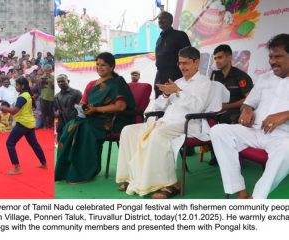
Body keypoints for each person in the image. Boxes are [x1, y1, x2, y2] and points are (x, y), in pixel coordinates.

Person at [116, 47, 212, 199]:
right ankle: (133, 177)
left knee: (158, 134)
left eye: (185, 63)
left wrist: (178, 91)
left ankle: (170, 184)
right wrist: (166, 94)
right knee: (128, 130)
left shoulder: (205, 83)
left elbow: (197, 107)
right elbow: (159, 107)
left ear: (196, 63)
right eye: (180, 63)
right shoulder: (178, 81)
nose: (182, 67)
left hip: (188, 123)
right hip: (165, 122)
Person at [210, 34, 289, 199]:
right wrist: (246, 110)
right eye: (271, 57)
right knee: (218, 131)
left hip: (283, 136)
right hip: (255, 130)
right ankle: (240, 192)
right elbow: (249, 102)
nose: (273, 61)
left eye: (278, 56)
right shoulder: (265, 78)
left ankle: (256, 199)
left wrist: (285, 114)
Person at [55, 52, 135, 184]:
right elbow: (82, 103)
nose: (99, 67)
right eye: (97, 64)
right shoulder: (92, 84)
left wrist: (96, 109)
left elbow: (120, 106)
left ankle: (84, 172)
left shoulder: (117, 83)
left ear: (112, 67)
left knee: (84, 129)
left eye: (103, 65)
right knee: (70, 126)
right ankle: (67, 170)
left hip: (110, 120)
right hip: (90, 117)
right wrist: (84, 109)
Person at [208, 44, 254, 165]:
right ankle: (216, 154)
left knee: (225, 117)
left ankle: (236, 156)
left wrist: (227, 107)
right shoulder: (214, 75)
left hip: (237, 110)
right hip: (218, 109)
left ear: (229, 58)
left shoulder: (241, 76)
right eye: (215, 58)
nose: (217, 61)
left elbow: (249, 99)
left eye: (220, 57)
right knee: (206, 119)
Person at [0, 77, 47, 175]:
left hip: (23, 123)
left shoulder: (22, 97)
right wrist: (2, 107)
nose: (15, 87)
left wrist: (1, 107)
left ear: (22, 86)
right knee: (34, 144)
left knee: (10, 143)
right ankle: (44, 163)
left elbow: (14, 111)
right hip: (30, 123)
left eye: (17, 85)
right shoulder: (27, 94)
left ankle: (17, 168)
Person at [154, 11, 191, 98]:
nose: (160, 20)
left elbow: (188, 55)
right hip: (159, 76)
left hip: (175, 76)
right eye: (159, 18)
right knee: (159, 104)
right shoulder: (159, 39)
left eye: (163, 18)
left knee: (173, 104)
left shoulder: (179, 35)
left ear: (171, 21)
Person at [54, 74, 82, 141]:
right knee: (61, 147)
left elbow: (81, 111)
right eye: (58, 82)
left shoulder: (77, 93)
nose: (60, 83)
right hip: (61, 126)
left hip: (74, 125)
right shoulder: (56, 96)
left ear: (68, 81)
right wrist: (56, 114)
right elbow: (55, 111)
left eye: (62, 81)